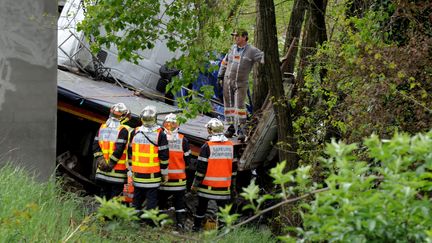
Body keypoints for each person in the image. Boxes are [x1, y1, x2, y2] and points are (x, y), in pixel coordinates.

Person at [191, 118, 237, 232]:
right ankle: (223, 232)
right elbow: (234, 169)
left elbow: (200, 170)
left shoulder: (207, 146)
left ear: (210, 131)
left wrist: (195, 185)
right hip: (224, 188)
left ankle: (196, 229)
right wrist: (233, 187)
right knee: (223, 211)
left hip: (207, 187)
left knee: (201, 208)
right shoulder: (231, 146)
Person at [217, 28, 264, 141]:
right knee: (229, 106)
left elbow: (265, 58)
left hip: (241, 83)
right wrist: (220, 75)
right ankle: (231, 127)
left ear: (244, 37)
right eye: (234, 36)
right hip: (228, 81)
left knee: (240, 107)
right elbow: (225, 62)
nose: (235, 38)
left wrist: (279, 61)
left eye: (238, 36)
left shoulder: (252, 50)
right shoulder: (232, 48)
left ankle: (241, 130)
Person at [128, 105, 169, 216]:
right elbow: (164, 156)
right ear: (155, 118)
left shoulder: (135, 132)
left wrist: (130, 171)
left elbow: (130, 153)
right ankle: (150, 222)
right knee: (152, 199)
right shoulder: (160, 133)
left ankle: (134, 220)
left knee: (137, 198)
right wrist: (165, 173)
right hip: (152, 175)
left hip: (137, 174)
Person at [158, 113, 191, 230]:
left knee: (161, 202)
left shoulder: (159, 137)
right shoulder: (183, 140)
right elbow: (188, 161)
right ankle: (180, 225)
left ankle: (160, 224)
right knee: (179, 204)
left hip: (163, 178)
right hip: (179, 179)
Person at [93, 103, 131, 200]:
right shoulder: (123, 130)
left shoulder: (102, 127)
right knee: (115, 201)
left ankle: (102, 215)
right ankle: (110, 216)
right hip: (116, 174)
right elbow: (119, 149)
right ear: (123, 116)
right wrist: (110, 164)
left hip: (102, 171)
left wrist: (101, 160)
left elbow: (95, 145)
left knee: (103, 198)